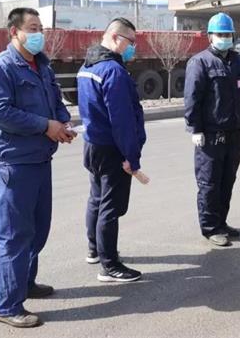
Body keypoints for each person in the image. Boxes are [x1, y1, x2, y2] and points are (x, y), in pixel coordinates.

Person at [0, 7, 75, 328]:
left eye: (40, 28)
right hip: (13, 163)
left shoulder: (42, 66)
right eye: (32, 28)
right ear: (14, 32)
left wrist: (62, 122)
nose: (39, 34)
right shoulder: (1, 68)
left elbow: (55, 102)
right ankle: (8, 305)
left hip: (39, 159)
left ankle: (26, 283)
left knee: (37, 230)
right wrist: (45, 125)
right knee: (14, 235)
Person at [77, 17, 149, 283]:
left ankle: (95, 249)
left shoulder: (87, 66)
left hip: (93, 145)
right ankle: (109, 265)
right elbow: (122, 121)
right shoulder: (114, 71)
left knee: (97, 199)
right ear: (116, 37)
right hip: (112, 148)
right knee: (110, 206)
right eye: (131, 42)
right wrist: (132, 157)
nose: (133, 48)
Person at [184, 12, 240, 247]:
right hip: (210, 136)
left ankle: (221, 222)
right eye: (220, 34)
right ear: (210, 36)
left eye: (228, 34)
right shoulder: (200, 62)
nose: (225, 38)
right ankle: (210, 227)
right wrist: (195, 128)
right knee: (209, 184)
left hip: (233, 134)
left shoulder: (239, 62)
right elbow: (192, 98)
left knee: (227, 181)